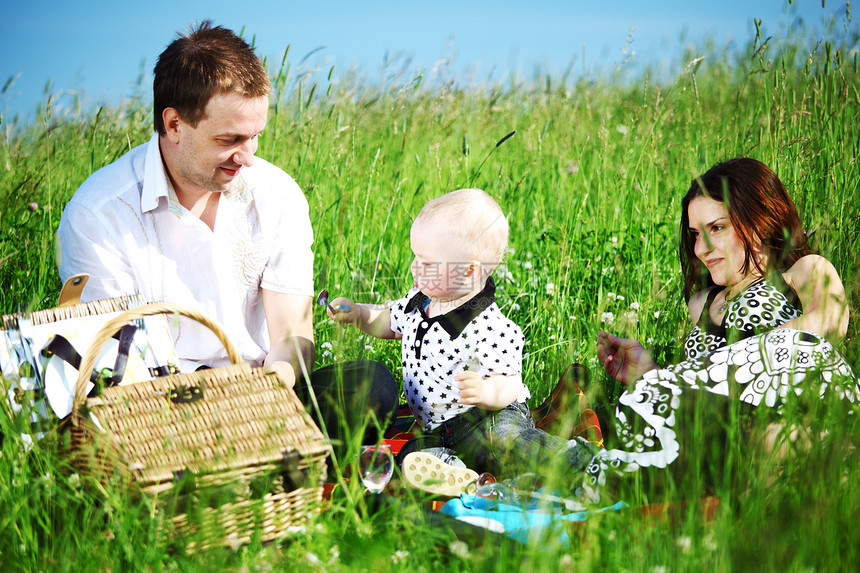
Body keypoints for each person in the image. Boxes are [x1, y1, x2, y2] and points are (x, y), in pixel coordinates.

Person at [55, 21, 396, 452]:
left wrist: (270, 390)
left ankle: (260, 463)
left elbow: (293, 333)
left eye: (255, 136)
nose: (248, 157)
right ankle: (282, 466)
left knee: (371, 387)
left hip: (267, 397)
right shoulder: (98, 214)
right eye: (230, 139)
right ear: (174, 124)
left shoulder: (277, 193)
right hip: (162, 414)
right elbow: (118, 371)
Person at [589, 157, 857, 491]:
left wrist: (739, 360)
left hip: (788, 416)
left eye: (717, 228)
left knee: (774, 438)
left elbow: (828, 325)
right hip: (720, 435)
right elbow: (695, 400)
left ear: (760, 219)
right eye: (695, 235)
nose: (701, 249)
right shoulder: (702, 304)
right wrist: (649, 373)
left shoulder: (802, 272)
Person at [329, 188, 598, 495]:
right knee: (411, 455)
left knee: (507, 443)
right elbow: (388, 322)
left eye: (427, 263)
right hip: (437, 428)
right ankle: (455, 473)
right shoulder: (420, 302)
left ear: (469, 272)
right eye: (415, 257)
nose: (415, 268)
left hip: (488, 418)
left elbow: (509, 384)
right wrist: (359, 313)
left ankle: (583, 463)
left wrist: (486, 391)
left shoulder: (488, 325)